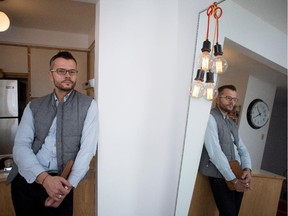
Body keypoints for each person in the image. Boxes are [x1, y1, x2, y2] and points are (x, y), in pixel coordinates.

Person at [7, 51, 99, 216]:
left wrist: (65, 188)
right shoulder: (33, 106)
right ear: (51, 75)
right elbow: (20, 146)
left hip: (62, 184)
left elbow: (87, 150)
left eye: (72, 71)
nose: (67, 76)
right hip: (27, 179)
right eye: (61, 71)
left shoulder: (89, 105)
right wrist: (44, 179)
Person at [199, 85, 252, 216]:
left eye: (234, 99)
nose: (232, 102)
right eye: (228, 98)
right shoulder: (210, 118)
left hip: (238, 173)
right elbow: (214, 153)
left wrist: (247, 169)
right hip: (219, 175)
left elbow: (242, 149)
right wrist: (233, 180)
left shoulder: (232, 124)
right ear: (217, 98)